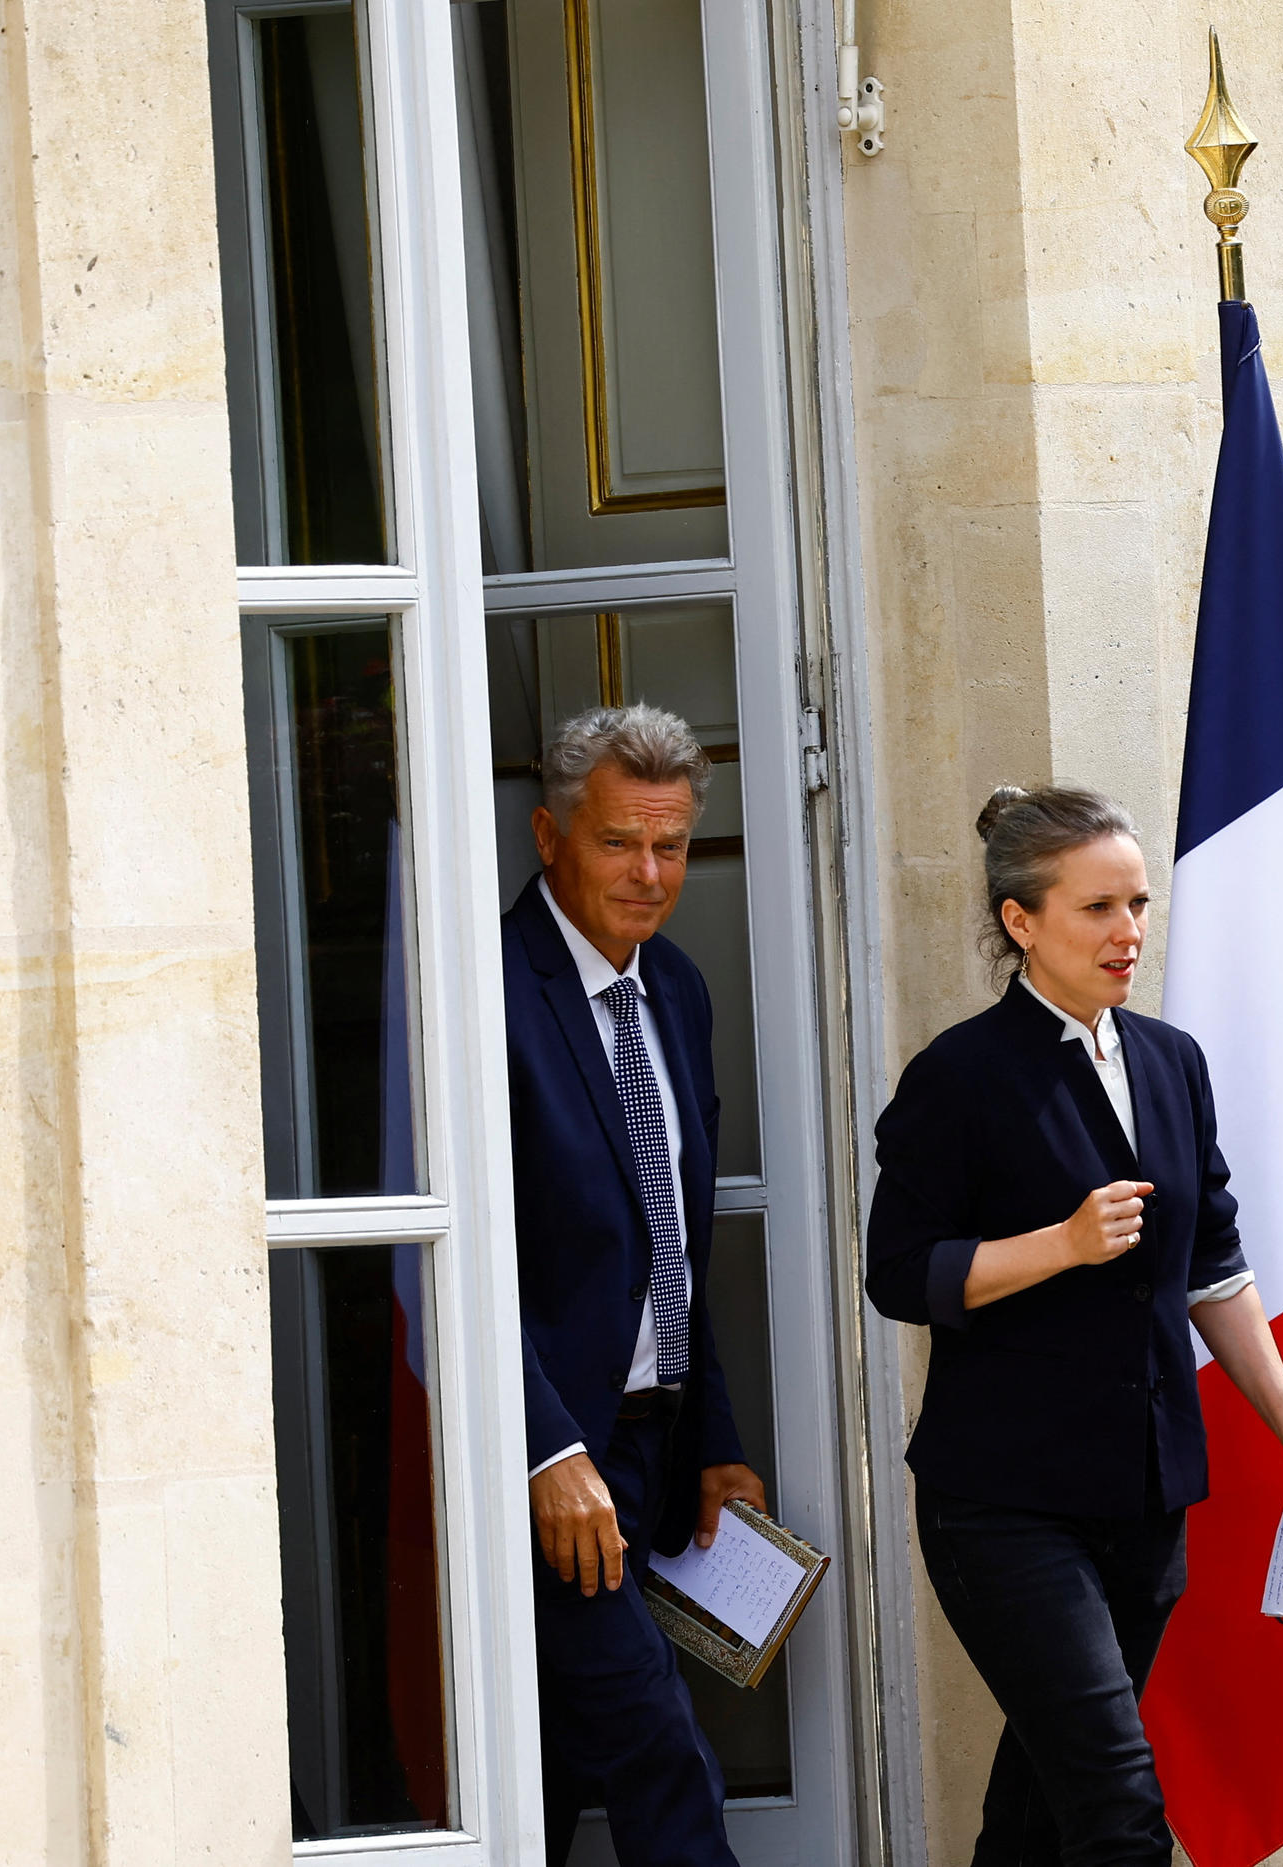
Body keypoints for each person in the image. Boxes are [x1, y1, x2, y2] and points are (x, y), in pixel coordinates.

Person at [866, 784, 1283, 1867]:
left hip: (1143, 1501)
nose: (1128, 931)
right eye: (1097, 907)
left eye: (1138, 902)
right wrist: (1060, 1243)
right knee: (1120, 1809)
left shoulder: (1170, 1060)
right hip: (1000, 1504)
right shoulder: (956, 1076)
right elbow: (898, 1273)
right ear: (1020, 922)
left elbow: (1215, 1271)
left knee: (1047, 1804)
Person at [503, 704, 765, 1867]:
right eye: (619, 841)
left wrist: (710, 1432)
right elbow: (444, 1256)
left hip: (654, 1448)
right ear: (549, 836)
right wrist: (542, 1447)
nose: (650, 873)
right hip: (560, 1454)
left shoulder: (681, 992)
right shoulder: (487, 993)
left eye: (670, 845)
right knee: (659, 1748)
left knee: (560, 1757)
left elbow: (677, 1246)